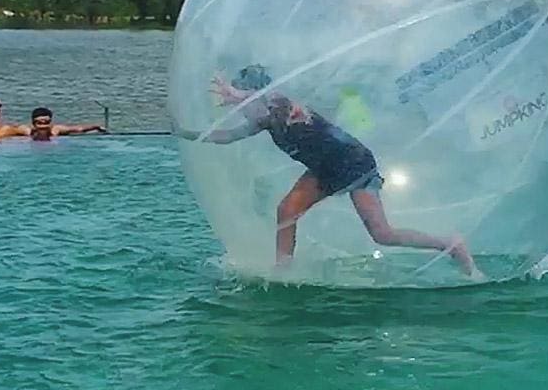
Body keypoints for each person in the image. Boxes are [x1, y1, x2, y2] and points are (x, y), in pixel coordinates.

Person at [175, 64, 482, 279]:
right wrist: (186, 132)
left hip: (352, 162)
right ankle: (284, 271)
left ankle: (450, 244)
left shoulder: (285, 108)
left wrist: (238, 94)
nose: (241, 108)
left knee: (382, 234)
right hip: (324, 168)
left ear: (257, 93)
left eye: (245, 99)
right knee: (286, 210)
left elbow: (273, 98)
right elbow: (226, 135)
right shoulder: (261, 123)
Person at [27, 107, 107, 140]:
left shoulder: (55, 130)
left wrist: (96, 127)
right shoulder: (27, 131)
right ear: (33, 123)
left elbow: (79, 129)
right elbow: (14, 129)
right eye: (39, 123)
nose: (43, 126)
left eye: (46, 123)